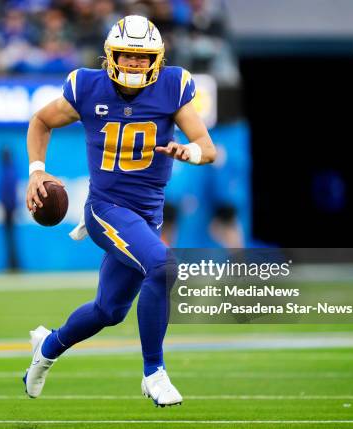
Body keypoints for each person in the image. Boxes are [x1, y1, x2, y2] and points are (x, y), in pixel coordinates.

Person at [23, 15, 216, 407]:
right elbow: (41, 120)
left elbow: (207, 146)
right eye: (126, 55)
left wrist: (190, 152)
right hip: (106, 209)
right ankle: (153, 372)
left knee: (108, 310)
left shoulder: (172, 87)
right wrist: (36, 172)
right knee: (164, 265)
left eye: (141, 57)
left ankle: (48, 345)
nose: (132, 64)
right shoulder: (87, 87)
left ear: (155, 61)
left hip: (146, 217)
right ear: (111, 55)